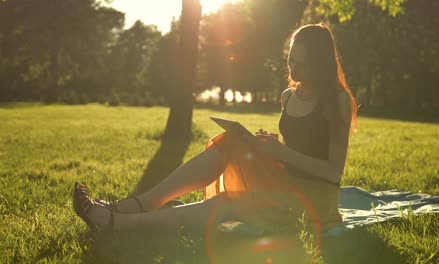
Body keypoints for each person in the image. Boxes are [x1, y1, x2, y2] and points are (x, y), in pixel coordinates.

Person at [73, 22, 357, 236]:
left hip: (315, 202)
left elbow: (333, 172)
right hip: (285, 184)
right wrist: (266, 145)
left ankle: (118, 224)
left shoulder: (338, 102)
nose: (292, 68)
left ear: (319, 64)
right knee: (233, 140)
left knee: (229, 203)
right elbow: (290, 152)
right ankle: (139, 203)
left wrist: (281, 152)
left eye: (301, 63)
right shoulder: (288, 96)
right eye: (290, 59)